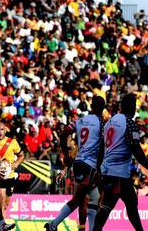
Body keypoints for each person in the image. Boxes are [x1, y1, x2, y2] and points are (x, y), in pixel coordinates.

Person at [92, 94, 148, 231]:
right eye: (134, 106)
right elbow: (136, 150)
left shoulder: (110, 121)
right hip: (119, 173)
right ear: (132, 107)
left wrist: (99, 167)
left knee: (108, 205)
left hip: (108, 170)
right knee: (130, 203)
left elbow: (102, 147)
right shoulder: (129, 122)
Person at [47, 96, 105, 231]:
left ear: (91, 106)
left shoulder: (80, 120)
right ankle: (53, 224)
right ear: (102, 109)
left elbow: (63, 134)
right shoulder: (102, 124)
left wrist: (66, 155)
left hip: (78, 163)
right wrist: (99, 167)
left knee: (93, 198)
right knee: (79, 199)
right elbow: (102, 147)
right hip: (90, 165)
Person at [0, 122, 24, 231]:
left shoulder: (12, 142)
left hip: (10, 177)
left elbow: (21, 155)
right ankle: (2, 227)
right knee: (1, 202)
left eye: (2, 129)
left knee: (5, 205)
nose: (0, 131)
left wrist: (16, 163)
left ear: (5, 130)